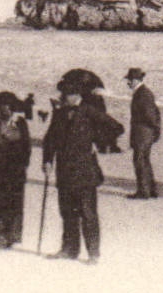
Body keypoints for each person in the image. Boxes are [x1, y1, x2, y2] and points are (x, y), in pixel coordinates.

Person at [42, 76, 119, 262]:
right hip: (64, 170)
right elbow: (50, 138)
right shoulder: (59, 113)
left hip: (85, 171)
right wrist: (47, 160)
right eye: (63, 93)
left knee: (88, 213)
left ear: (76, 95)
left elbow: (116, 127)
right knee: (67, 212)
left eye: (67, 94)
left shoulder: (90, 111)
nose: (63, 97)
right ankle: (69, 250)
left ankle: (93, 253)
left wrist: (97, 142)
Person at [0, 90, 32, 249]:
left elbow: (26, 147)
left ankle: (11, 236)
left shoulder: (20, 123)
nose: (5, 110)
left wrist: (20, 163)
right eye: (2, 107)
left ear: (13, 108)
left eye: (8, 107)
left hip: (15, 170)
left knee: (13, 203)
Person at [126, 67, 161, 199]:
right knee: (145, 160)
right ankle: (152, 190)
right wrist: (156, 130)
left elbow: (150, 115)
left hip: (143, 134)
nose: (128, 83)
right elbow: (155, 113)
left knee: (140, 161)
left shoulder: (142, 93)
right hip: (146, 133)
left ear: (135, 80)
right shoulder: (144, 92)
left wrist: (154, 129)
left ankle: (143, 192)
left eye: (129, 80)